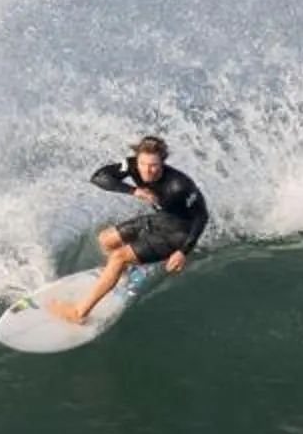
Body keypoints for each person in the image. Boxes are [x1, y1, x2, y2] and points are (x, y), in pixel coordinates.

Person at [50, 133, 210, 323]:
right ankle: (119, 276)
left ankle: (79, 313)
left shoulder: (179, 185)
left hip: (177, 233)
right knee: (106, 239)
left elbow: (202, 215)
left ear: (162, 163)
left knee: (118, 257)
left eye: (154, 166)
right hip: (161, 219)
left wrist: (183, 251)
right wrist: (133, 190)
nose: (147, 170)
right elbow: (99, 177)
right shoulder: (132, 165)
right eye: (143, 164)